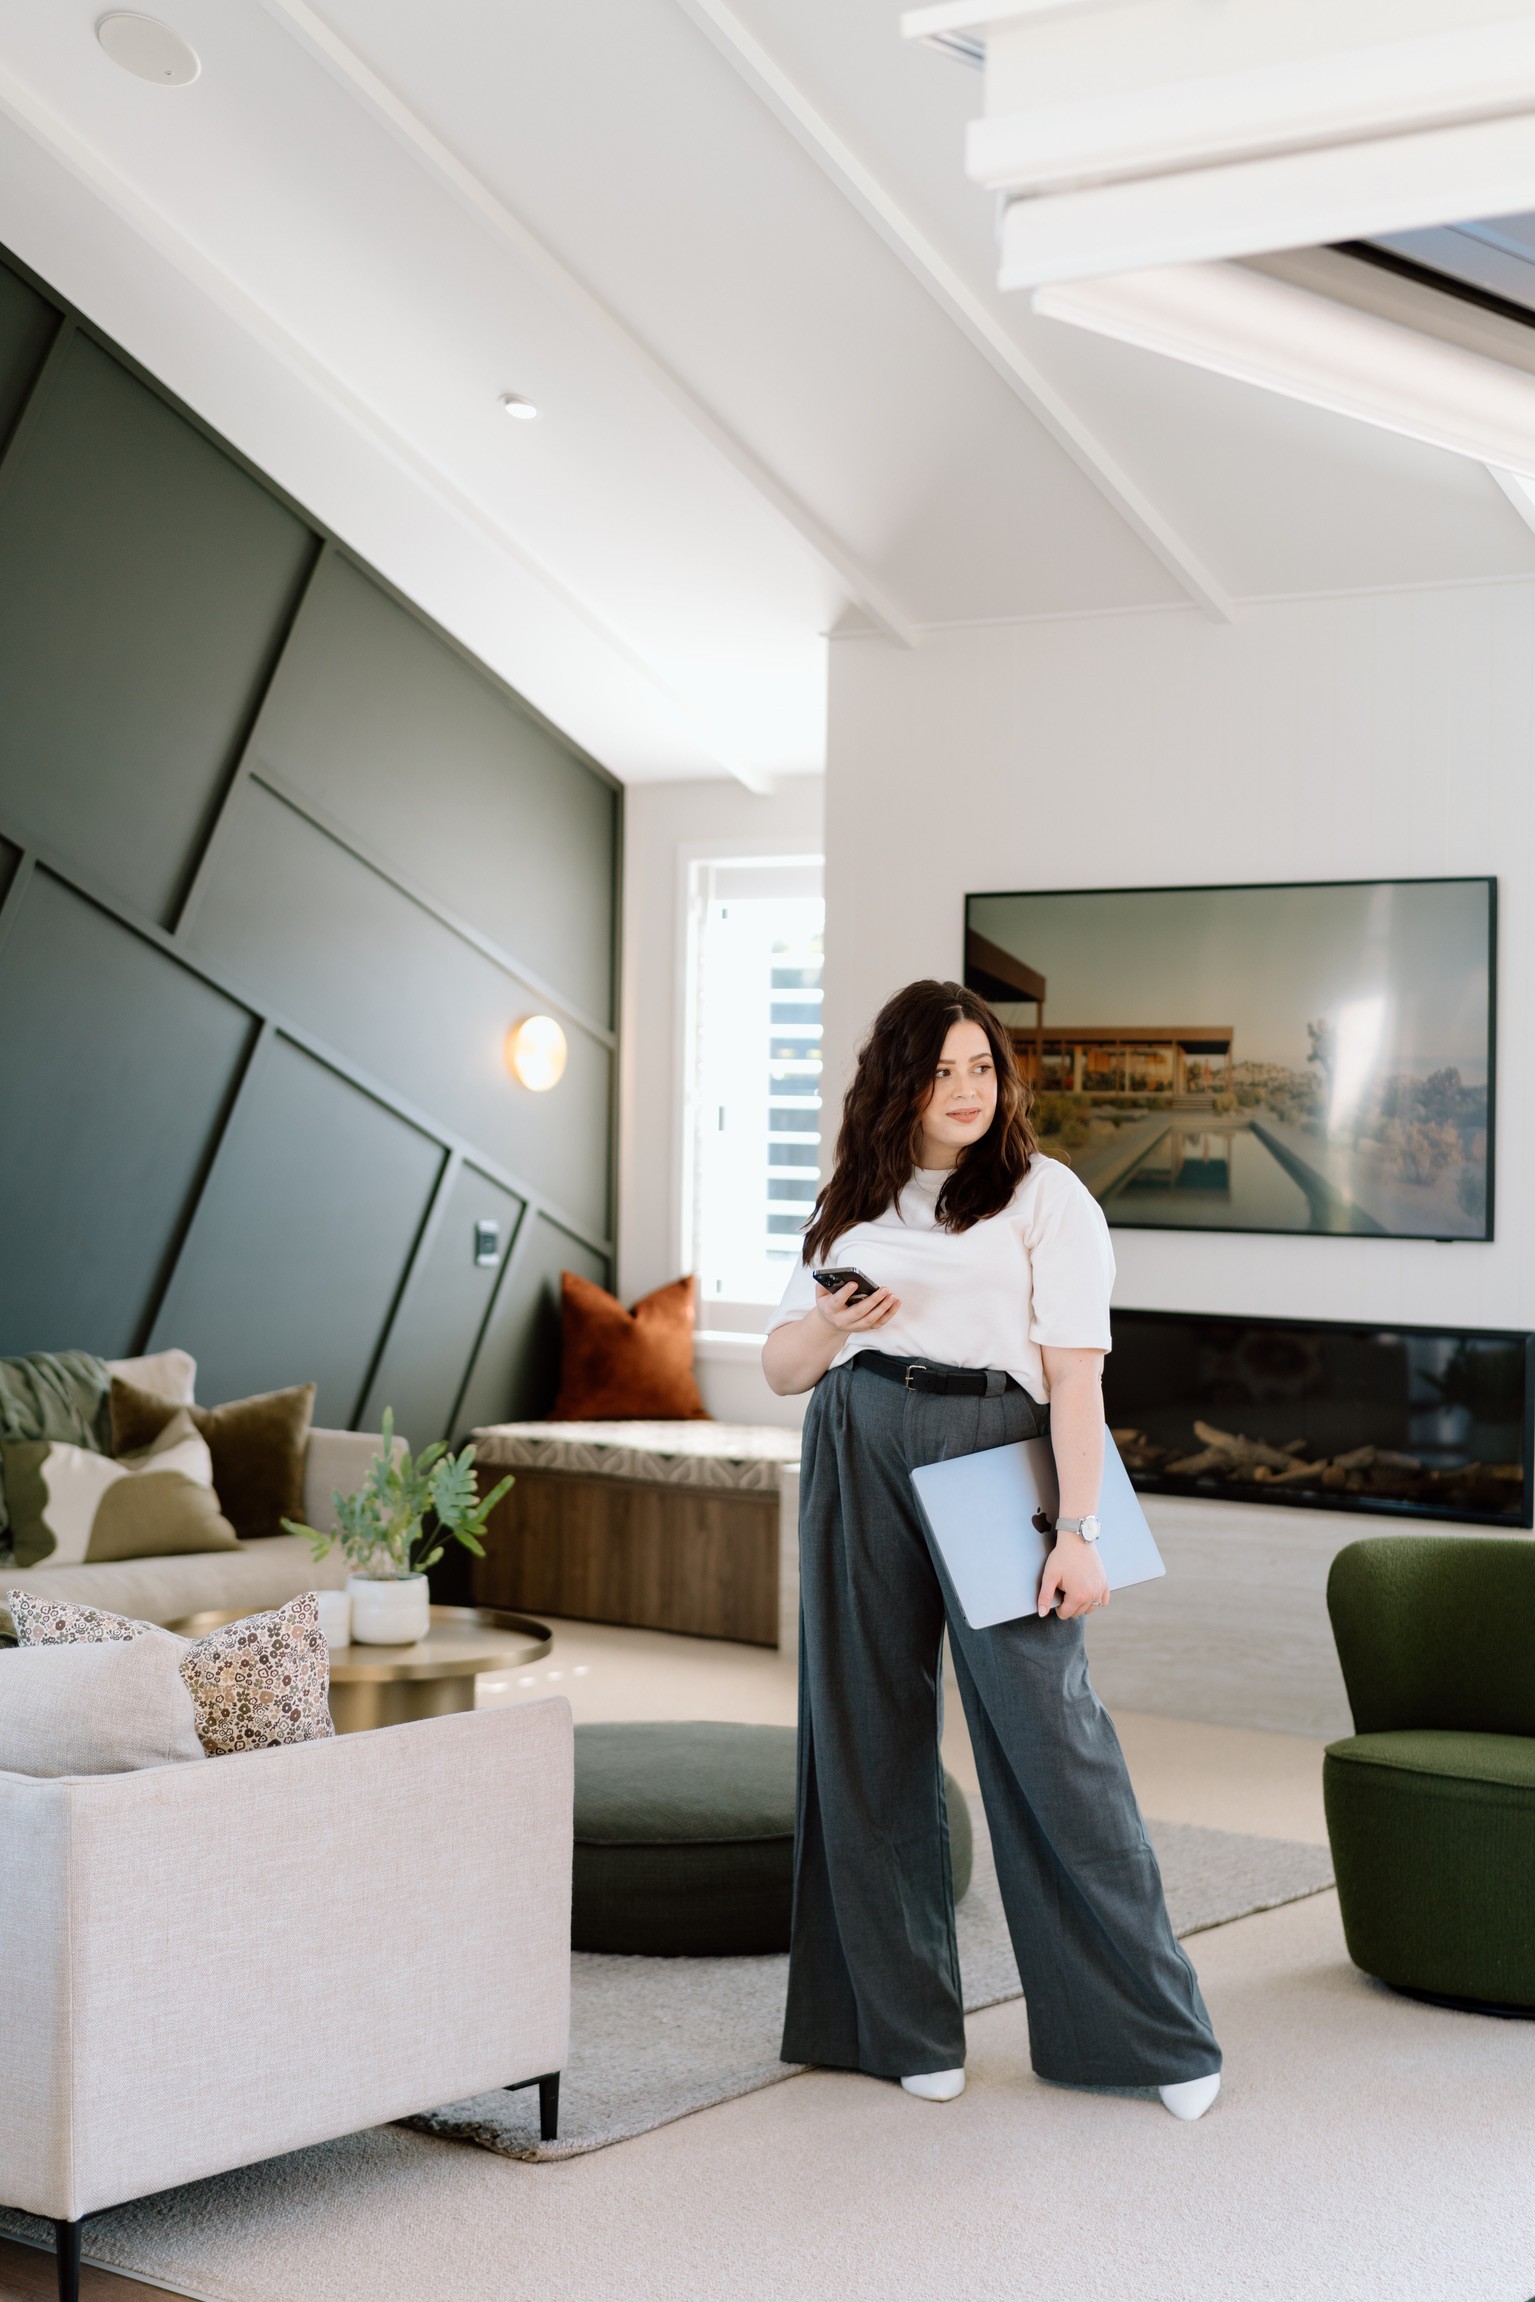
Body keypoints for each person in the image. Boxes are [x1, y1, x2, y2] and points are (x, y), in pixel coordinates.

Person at [763, 979, 1222, 2119]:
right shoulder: (852, 1199)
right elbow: (781, 1368)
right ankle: (890, 2026)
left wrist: (1079, 1532)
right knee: (861, 1723)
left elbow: (1076, 1380)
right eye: (940, 1072)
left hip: (991, 1446)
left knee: (1050, 1736)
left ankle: (1145, 2036)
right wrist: (829, 1321)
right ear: (897, 1085)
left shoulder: (1043, 1194)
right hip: (856, 1432)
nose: (966, 1090)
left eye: (981, 1067)